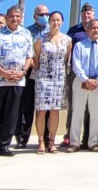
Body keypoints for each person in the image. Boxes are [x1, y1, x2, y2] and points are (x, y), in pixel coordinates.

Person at [0, 5, 33, 158]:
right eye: (12, 16)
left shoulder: (26, 34)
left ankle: (4, 145)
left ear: (21, 17)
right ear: (7, 17)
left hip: (17, 81)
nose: (15, 19)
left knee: (11, 114)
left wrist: (23, 72)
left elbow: (30, 56)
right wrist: (1, 71)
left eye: (18, 16)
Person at [68, 18, 98, 152]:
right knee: (77, 112)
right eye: (92, 28)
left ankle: (93, 142)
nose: (95, 30)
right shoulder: (79, 46)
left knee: (95, 113)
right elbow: (76, 65)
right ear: (87, 29)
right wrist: (86, 80)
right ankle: (74, 142)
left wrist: (96, 80)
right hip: (80, 81)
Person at [32, 11, 71, 154]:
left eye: (58, 20)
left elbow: (66, 59)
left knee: (55, 111)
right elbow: (35, 59)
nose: (56, 23)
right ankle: (41, 141)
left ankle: (52, 142)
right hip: (43, 78)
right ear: (49, 22)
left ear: (62, 22)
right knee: (41, 111)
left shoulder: (67, 40)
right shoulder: (40, 39)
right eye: (53, 20)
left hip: (59, 79)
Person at [64, 3, 96, 148]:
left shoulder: (97, 30)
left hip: (94, 75)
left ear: (93, 15)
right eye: (84, 14)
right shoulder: (73, 31)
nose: (86, 16)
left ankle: (88, 138)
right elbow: (67, 50)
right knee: (74, 106)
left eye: (89, 14)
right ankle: (69, 136)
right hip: (76, 74)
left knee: (91, 109)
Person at [20, 3, 50, 148]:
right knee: (27, 106)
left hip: (48, 76)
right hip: (31, 72)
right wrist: (32, 63)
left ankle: (45, 138)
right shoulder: (27, 32)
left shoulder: (52, 30)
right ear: (34, 16)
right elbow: (25, 51)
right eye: (41, 14)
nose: (44, 17)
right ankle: (22, 138)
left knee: (46, 108)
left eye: (46, 14)